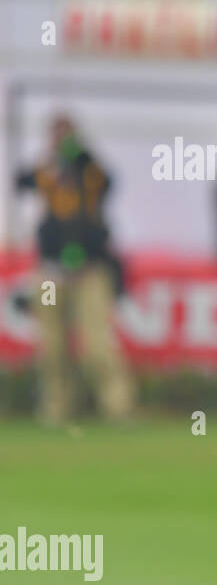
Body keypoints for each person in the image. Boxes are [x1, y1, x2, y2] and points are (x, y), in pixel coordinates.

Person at [14, 114, 134, 425]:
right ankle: (56, 410)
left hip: (90, 271)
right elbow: (21, 181)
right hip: (52, 274)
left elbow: (108, 181)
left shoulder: (89, 170)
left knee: (98, 345)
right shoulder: (48, 171)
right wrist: (51, 159)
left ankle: (117, 408)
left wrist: (80, 156)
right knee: (52, 346)